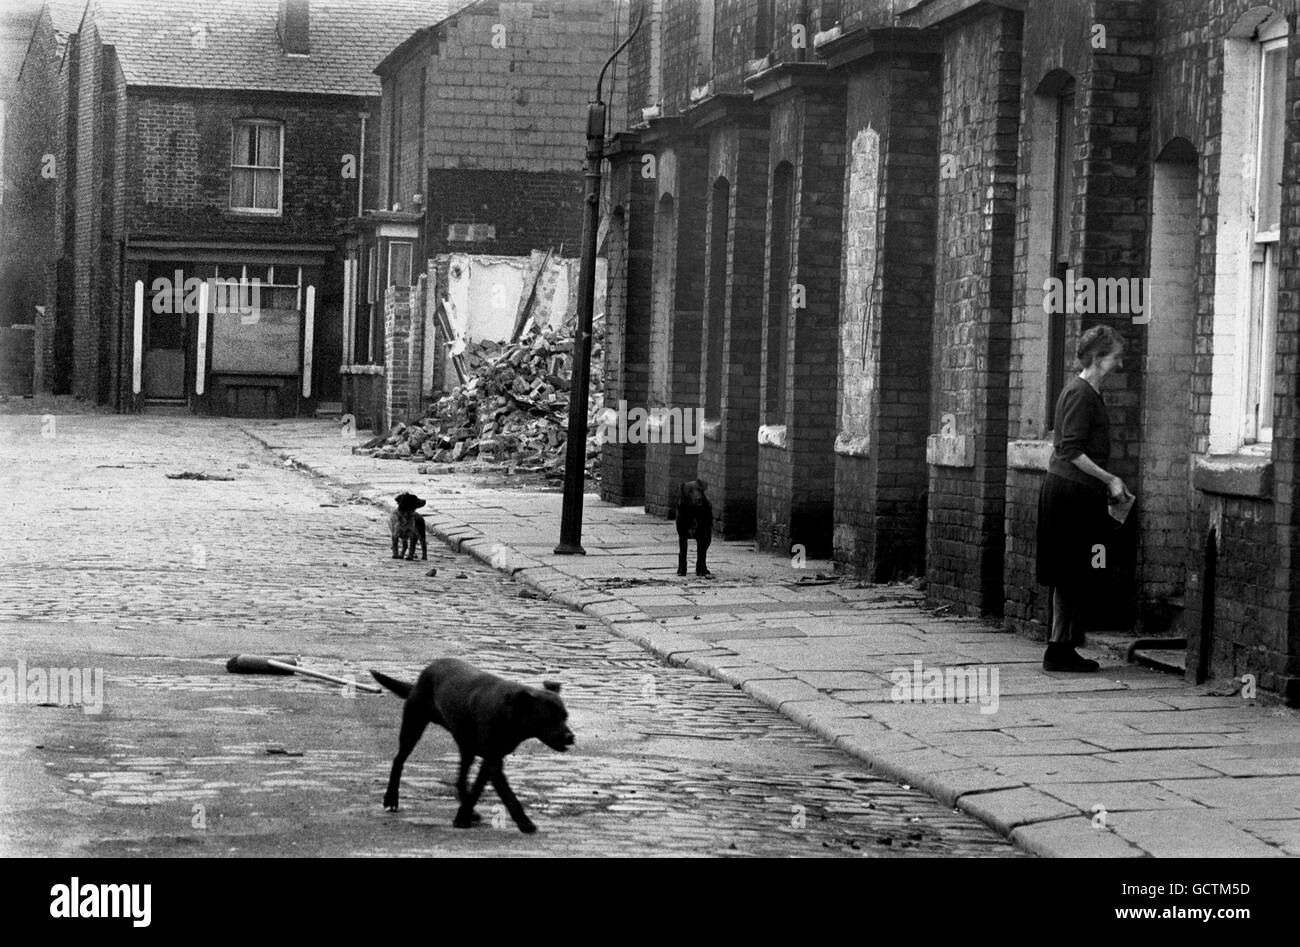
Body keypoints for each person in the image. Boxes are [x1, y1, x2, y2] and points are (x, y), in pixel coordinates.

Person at [1036, 325, 1130, 672]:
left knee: (1073, 572)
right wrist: (1111, 479)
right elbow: (1071, 450)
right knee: (1074, 571)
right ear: (1097, 357)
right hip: (1069, 495)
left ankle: (1060, 647)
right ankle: (1059, 649)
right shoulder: (1081, 393)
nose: (1119, 364)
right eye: (1115, 357)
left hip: (1075, 492)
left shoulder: (1085, 391)